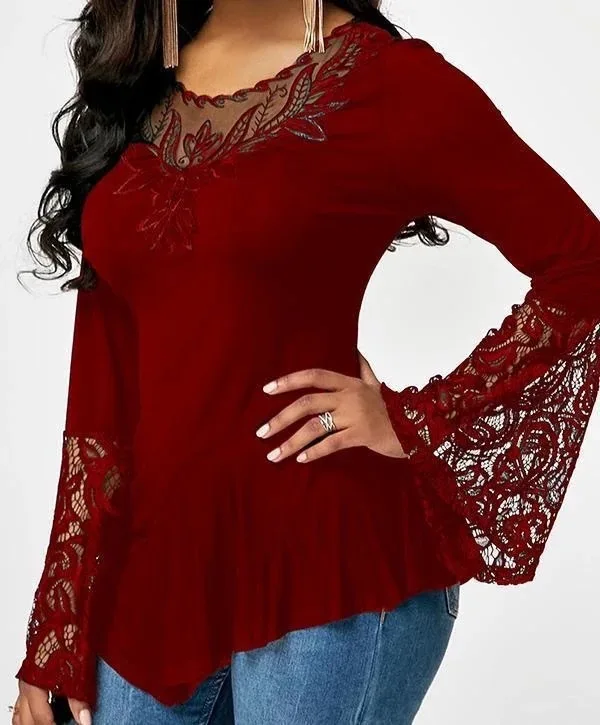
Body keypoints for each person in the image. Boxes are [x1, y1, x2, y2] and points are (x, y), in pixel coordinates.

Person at [12, 0, 600, 723]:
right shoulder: (136, 78)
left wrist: (416, 419)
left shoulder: (390, 82)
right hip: (155, 582)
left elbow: (585, 266)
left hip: (330, 575)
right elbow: (101, 389)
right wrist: (59, 625)